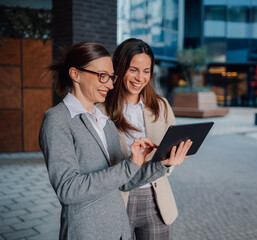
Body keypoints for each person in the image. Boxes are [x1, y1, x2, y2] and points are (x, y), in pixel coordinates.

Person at [39, 42, 192, 240]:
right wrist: (129, 166)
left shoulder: (104, 122)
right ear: (75, 75)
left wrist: (162, 164)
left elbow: (124, 182)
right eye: (103, 76)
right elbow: (68, 190)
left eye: (111, 77)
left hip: (119, 229)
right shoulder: (57, 120)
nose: (111, 85)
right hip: (88, 231)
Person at [103, 38, 179, 240]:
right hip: (117, 200)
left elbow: (169, 149)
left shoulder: (161, 106)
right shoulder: (101, 109)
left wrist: (171, 161)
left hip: (156, 199)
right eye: (133, 69)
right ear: (119, 68)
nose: (140, 78)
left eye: (146, 71)